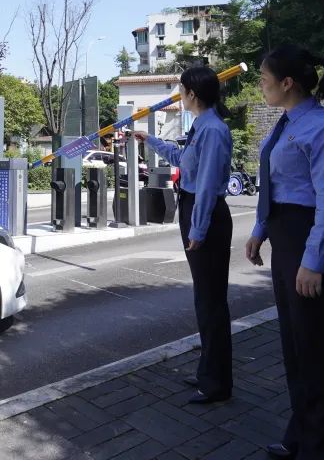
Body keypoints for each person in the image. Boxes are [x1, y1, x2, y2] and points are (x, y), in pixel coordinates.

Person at [244, 45, 324, 460]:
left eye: (264, 79)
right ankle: (303, 436)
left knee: (320, 354)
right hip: (285, 239)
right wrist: (260, 229)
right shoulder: (286, 124)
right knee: (296, 348)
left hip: (310, 243)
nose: (260, 86)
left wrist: (314, 261)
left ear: (287, 82)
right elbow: (277, 186)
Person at [134, 65, 234, 405]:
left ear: (192, 94)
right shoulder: (201, 126)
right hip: (193, 207)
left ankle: (216, 383)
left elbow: (206, 184)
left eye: (180, 89)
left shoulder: (213, 130)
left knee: (211, 301)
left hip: (205, 212)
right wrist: (149, 140)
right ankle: (209, 371)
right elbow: (181, 158)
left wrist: (199, 228)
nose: (178, 95)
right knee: (204, 298)